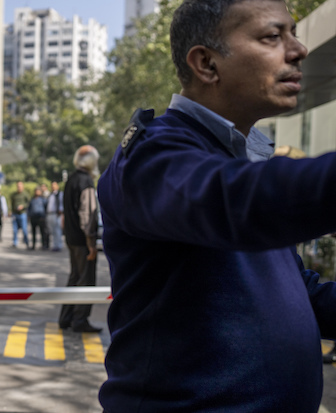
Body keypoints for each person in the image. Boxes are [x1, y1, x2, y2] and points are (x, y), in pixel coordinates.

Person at [97, 1, 336, 411]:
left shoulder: (242, 159)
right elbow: (239, 203)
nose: (298, 50)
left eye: (293, 34)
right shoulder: (153, 158)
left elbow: (296, 290)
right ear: (206, 63)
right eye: (273, 36)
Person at [58, 145, 101, 333]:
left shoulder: (71, 180)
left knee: (74, 277)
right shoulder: (86, 182)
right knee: (85, 280)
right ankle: (79, 320)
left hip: (71, 238)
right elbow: (88, 215)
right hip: (83, 241)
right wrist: (91, 243)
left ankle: (65, 318)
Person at [9, 181, 29, 248]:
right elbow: (11, 203)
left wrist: (23, 206)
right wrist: (10, 211)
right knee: (15, 230)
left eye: (20, 186)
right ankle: (15, 242)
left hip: (22, 214)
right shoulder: (14, 195)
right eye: (18, 186)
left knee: (24, 229)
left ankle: (26, 242)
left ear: (22, 186)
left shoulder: (25, 194)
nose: (19, 187)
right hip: (15, 214)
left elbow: (29, 203)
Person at [45, 181, 63, 252]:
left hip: (56, 214)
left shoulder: (59, 194)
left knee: (57, 230)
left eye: (54, 186)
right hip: (50, 214)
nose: (53, 187)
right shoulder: (50, 195)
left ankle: (58, 245)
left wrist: (60, 211)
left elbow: (61, 203)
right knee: (52, 231)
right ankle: (54, 245)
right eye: (52, 186)